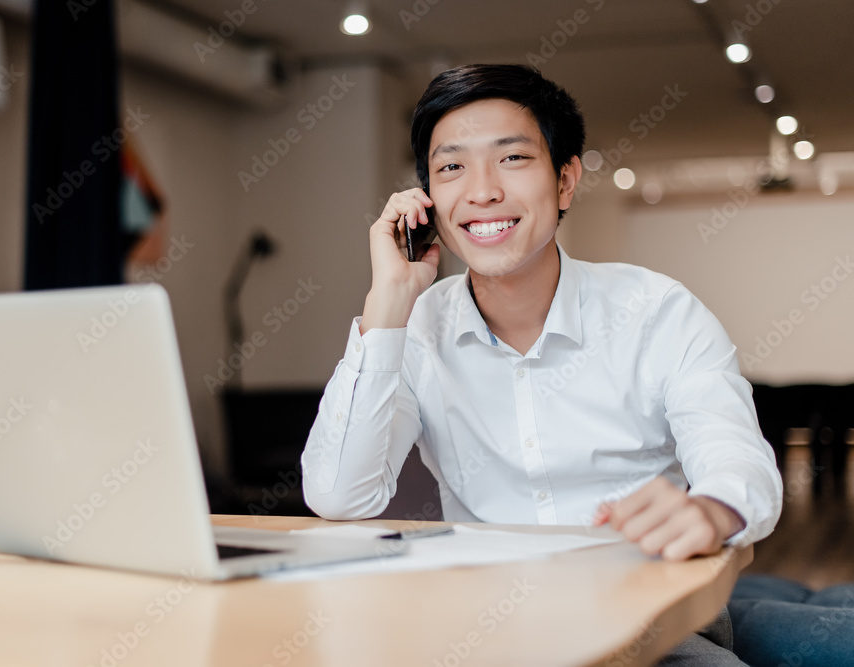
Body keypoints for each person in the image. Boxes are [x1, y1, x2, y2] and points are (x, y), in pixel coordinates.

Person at [300, 64, 783, 663]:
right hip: (484, 629)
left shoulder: (657, 311)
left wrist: (712, 509)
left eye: (512, 159)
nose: (481, 192)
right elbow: (340, 495)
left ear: (565, 180)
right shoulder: (414, 330)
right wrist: (388, 303)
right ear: (427, 199)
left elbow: (738, 455)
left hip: (649, 627)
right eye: (452, 167)